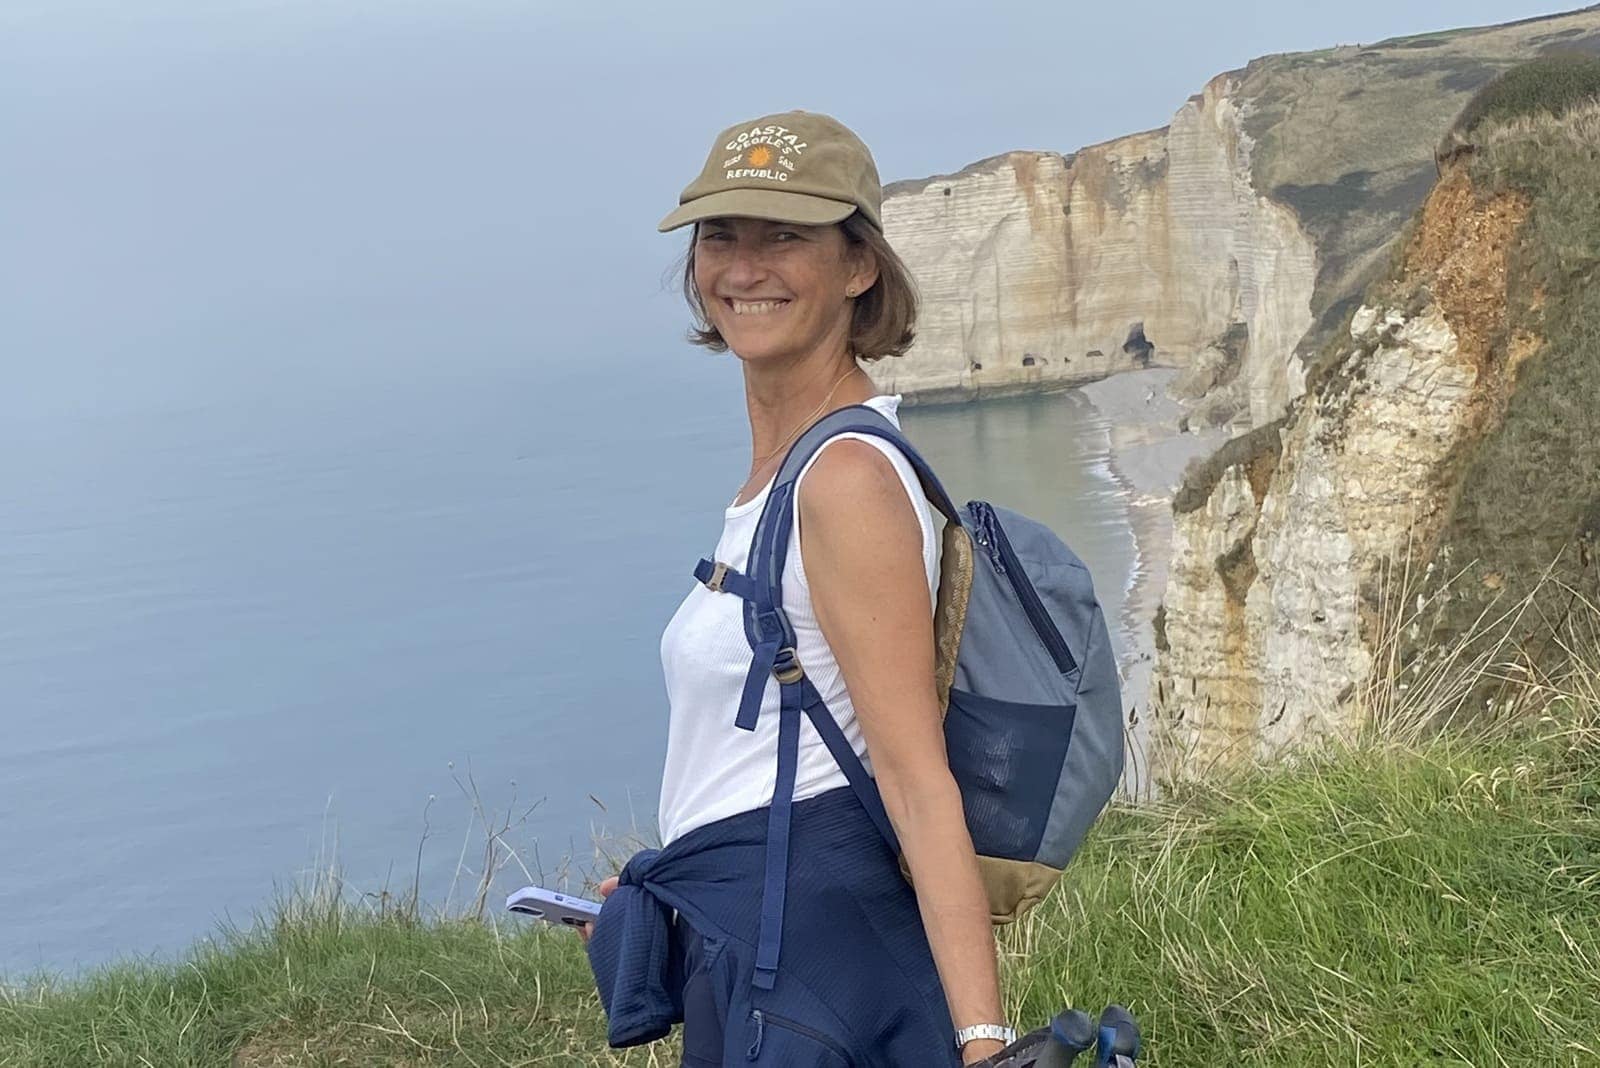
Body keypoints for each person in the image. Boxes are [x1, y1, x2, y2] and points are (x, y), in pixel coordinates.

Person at [582, 110, 1009, 1067]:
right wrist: (678, 891)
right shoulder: (787, 475)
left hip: (816, 965)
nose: (744, 267)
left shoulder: (845, 478)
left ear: (860, 266)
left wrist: (984, 1044)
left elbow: (913, 777)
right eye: (721, 236)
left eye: (785, 237)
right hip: (758, 940)